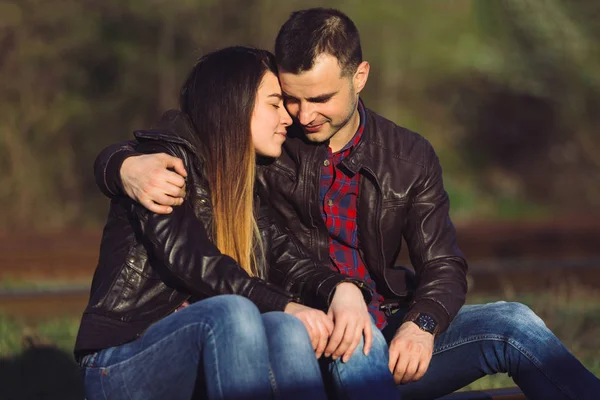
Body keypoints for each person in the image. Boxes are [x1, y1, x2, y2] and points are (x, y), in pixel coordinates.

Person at [92, 8, 600, 400]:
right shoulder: (267, 148)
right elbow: (186, 137)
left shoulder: (409, 156)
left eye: (320, 99)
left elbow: (443, 265)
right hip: (315, 334)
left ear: (360, 78)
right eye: (288, 99)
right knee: (359, 345)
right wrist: (119, 165)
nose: (300, 115)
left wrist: (422, 326)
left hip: (387, 323)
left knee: (513, 322)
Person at [75, 46, 395, 400]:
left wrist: (342, 289)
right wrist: (286, 305)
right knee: (234, 312)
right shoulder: (162, 167)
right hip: (119, 363)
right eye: (274, 104)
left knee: (286, 330)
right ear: (234, 103)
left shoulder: (242, 185)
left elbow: (285, 255)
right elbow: (195, 260)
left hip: (195, 352)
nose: (288, 118)